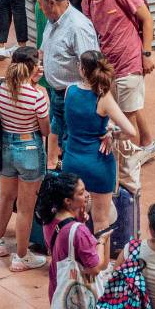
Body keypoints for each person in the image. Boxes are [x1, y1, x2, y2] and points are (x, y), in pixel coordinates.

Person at [78, 0, 155, 173]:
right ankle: (148, 144)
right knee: (130, 107)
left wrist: (146, 54)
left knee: (124, 117)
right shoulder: (87, 3)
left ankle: (128, 160)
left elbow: (147, 19)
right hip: (108, 67)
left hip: (130, 61)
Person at [0, 48, 50, 270]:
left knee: (5, 196)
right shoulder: (37, 95)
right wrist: (38, 88)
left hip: (6, 147)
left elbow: (1, 111)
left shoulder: (1, 85)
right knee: (25, 207)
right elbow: (45, 130)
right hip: (29, 147)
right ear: (31, 68)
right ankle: (21, 256)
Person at [62, 50, 139, 234]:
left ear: (81, 69)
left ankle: (74, 256)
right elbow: (130, 131)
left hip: (71, 160)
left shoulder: (69, 91)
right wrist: (112, 134)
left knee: (71, 219)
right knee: (101, 220)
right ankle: (100, 262)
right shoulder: (102, 98)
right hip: (98, 163)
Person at [38, 170, 106, 309]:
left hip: (58, 287)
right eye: (81, 192)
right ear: (68, 201)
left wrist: (79, 221)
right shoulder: (80, 232)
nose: (87, 195)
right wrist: (100, 241)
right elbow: (95, 267)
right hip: (79, 296)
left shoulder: (50, 218)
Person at [38, 0, 100, 165]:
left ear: (51, 3)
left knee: (72, 142)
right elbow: (44, 50)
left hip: (72, 97)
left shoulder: (78, 27)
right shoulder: (53, 20)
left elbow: (92, 67)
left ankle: (74, 183)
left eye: (40, 5)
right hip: (57, 94)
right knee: (58, 133)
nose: (40, 9)